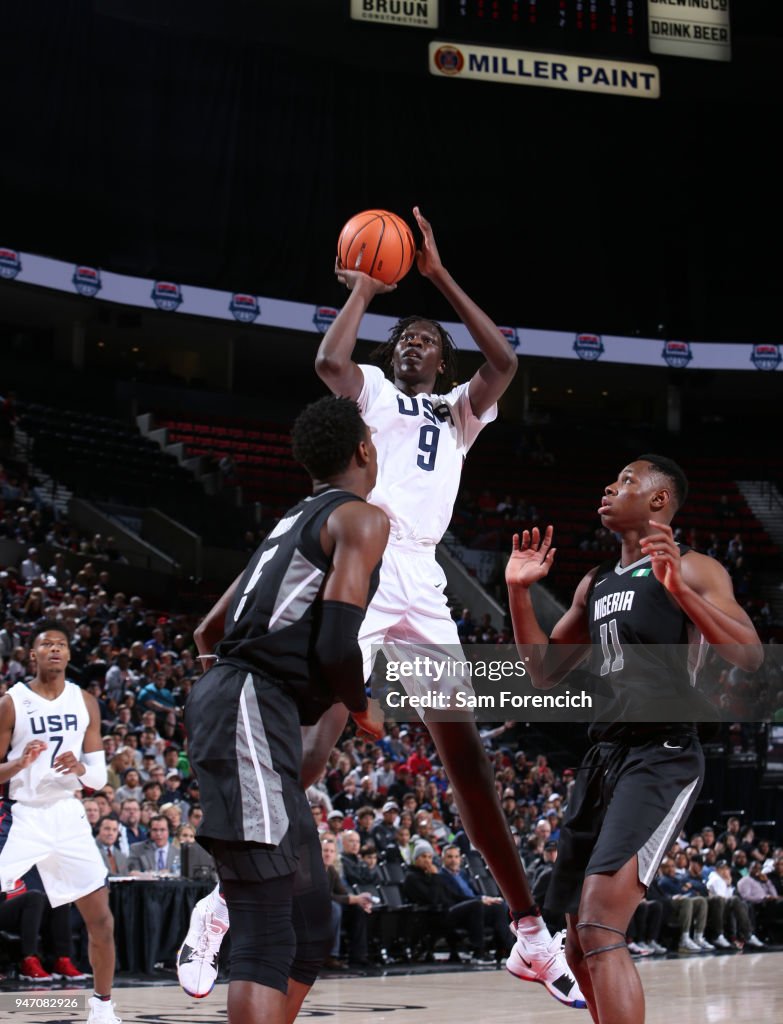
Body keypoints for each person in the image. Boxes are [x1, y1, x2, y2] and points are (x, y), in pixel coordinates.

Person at [305, 205, 581, 1006]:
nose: (412, 343)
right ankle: (226, 900)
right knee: (317, 740)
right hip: (366, 559)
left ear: (442, 357)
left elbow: (503, 360)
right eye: (405, 338)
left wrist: (436, 276)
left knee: (468, 765)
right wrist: (363, 287)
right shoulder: (379, 396)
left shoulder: (458, 412)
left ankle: (529, 935)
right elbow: (329, 362)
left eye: (425, 338)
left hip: (422, 582)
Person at [505, 455, 764, 1024]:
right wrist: (519, 593)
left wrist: (680, 591)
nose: (609, 484)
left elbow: (748, 653)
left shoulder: (693, 567)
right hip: (605, 756)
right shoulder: (594, 582)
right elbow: (542, 671)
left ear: (658, 502)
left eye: (625, 480)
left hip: (662, 751)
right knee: (575, 938)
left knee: (600, 923)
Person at [177, 396, 389, 1024]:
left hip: (245, 706)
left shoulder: (288, 523)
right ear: (363, 451)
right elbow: (333, 642)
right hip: (247, 705)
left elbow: (208, 632)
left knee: (310, 928)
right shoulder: (361, 519)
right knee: (268, 936)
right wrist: (363, 704)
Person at [0, 621, 120, 1024]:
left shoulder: (84, 701)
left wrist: (80, 767)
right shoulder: (12, 702)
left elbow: (99, 779)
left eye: (62, 644)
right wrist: (18, 763)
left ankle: (102, 1008)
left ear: (69, 655)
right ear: (31, 655)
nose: (54, 649)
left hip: (67, 814)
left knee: (101, 918)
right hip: (23, 814)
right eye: (46, 644)